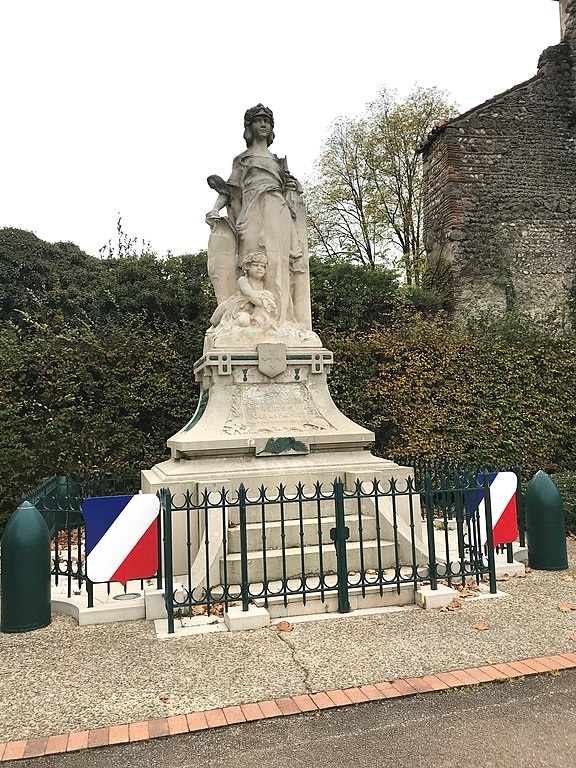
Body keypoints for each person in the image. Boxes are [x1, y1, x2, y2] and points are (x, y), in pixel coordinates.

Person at [205, 104, 307, 327]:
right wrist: (215, 209)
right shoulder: (242, 159)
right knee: (251, 260)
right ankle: (250, 313)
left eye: (267, 122)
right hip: (251, 212)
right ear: (249, 127)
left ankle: (281, 319)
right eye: (258, 121)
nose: (263, 124)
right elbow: (230, 190)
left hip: (277, 209)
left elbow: (292, 189)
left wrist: (294, 187)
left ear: (271, 128)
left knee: (279, 263)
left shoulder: (278, 162)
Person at [209, 252, 277, 332]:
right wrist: (263, 296)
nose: (259, 268)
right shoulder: (243, 280)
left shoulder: (261, 283)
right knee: (214, 321)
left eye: (262, 266)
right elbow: (252, 297)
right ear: (247, 267)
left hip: (248, 311)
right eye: (255, 265)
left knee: (244, 321)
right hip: (236, 306)